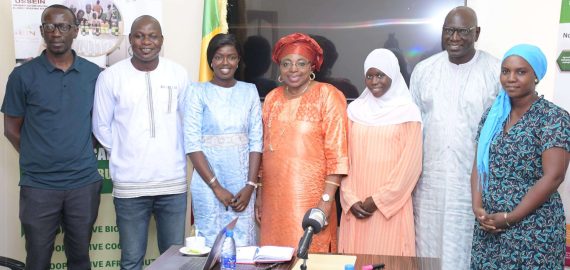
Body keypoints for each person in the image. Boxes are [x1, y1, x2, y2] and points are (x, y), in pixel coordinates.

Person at [1, 5, 102, 269]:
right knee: (37, 259)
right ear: (41, 31)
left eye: (63, 26)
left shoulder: (95, 75)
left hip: (83, 183)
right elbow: (11, 128)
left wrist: (77, 151)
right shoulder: (22, 75)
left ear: (75, 31)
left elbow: (100, 126)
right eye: (49, 26)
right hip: (39, 186)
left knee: (80, 259)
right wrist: (39, 155)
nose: (56, 32)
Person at [92, 15, 188, 270]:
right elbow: (100, 126)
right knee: (131, 259)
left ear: (161, 40)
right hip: (130, 184)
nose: (146, 42)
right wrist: (125, 151)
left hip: (172, 183)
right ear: (130, 40)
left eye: (152, 36)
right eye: (139, 35)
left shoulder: (178, 73)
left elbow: (188, 122)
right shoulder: (111, 76)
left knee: (175, 261)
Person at [409, 6, 500, 269]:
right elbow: (413, 127)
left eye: (463, 31)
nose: (455, 37)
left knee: (466, 249)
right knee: (427, 247)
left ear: (477, 33)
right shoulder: (424, 71)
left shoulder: (494, 71)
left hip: (472, 183)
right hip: (429, 183)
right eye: (449, 31)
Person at [470, 44, 569, 269]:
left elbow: (554, 176)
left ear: (536, 76)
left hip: (534, 231)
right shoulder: (492, 116)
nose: (511, 78)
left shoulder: (553, 117)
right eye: (505, 71)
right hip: (489, 228)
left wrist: (510, 217)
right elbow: (479, 164)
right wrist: (478, 209)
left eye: (520, 72)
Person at [258, 32, 349, 252]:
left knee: (309, 255)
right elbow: (264, 150)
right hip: (273, 202)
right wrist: (260, 195)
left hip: (311, 200)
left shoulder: (328, 95)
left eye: (301, 63)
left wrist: (326, 201)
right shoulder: (271, 98)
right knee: (274, 259)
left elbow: (337, 155)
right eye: (286, 64)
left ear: (312, 67)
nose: (293, 69)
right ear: (279, 68)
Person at [338, 48, 422, 256]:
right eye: (370, 76)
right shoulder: (354, 111)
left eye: (380, 75)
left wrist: (377, 201)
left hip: (390, 208)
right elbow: (343, 157)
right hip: (355, 205)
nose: (375, 81)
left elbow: (410, 167)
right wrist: (349, 198)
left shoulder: (408, 112)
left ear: (392, 74)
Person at [184, 33, 262, 247]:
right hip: (208, 184)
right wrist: (216, 187)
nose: (225, 63)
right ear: (211, 60)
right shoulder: (196, 91)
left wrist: (250, 187)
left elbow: (257, 142)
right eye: (219, 57)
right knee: (211, 247)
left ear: (238, 61)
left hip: (242, 186)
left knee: (243, 248)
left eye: (231, 57)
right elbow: (192, 144)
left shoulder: (249, 91)